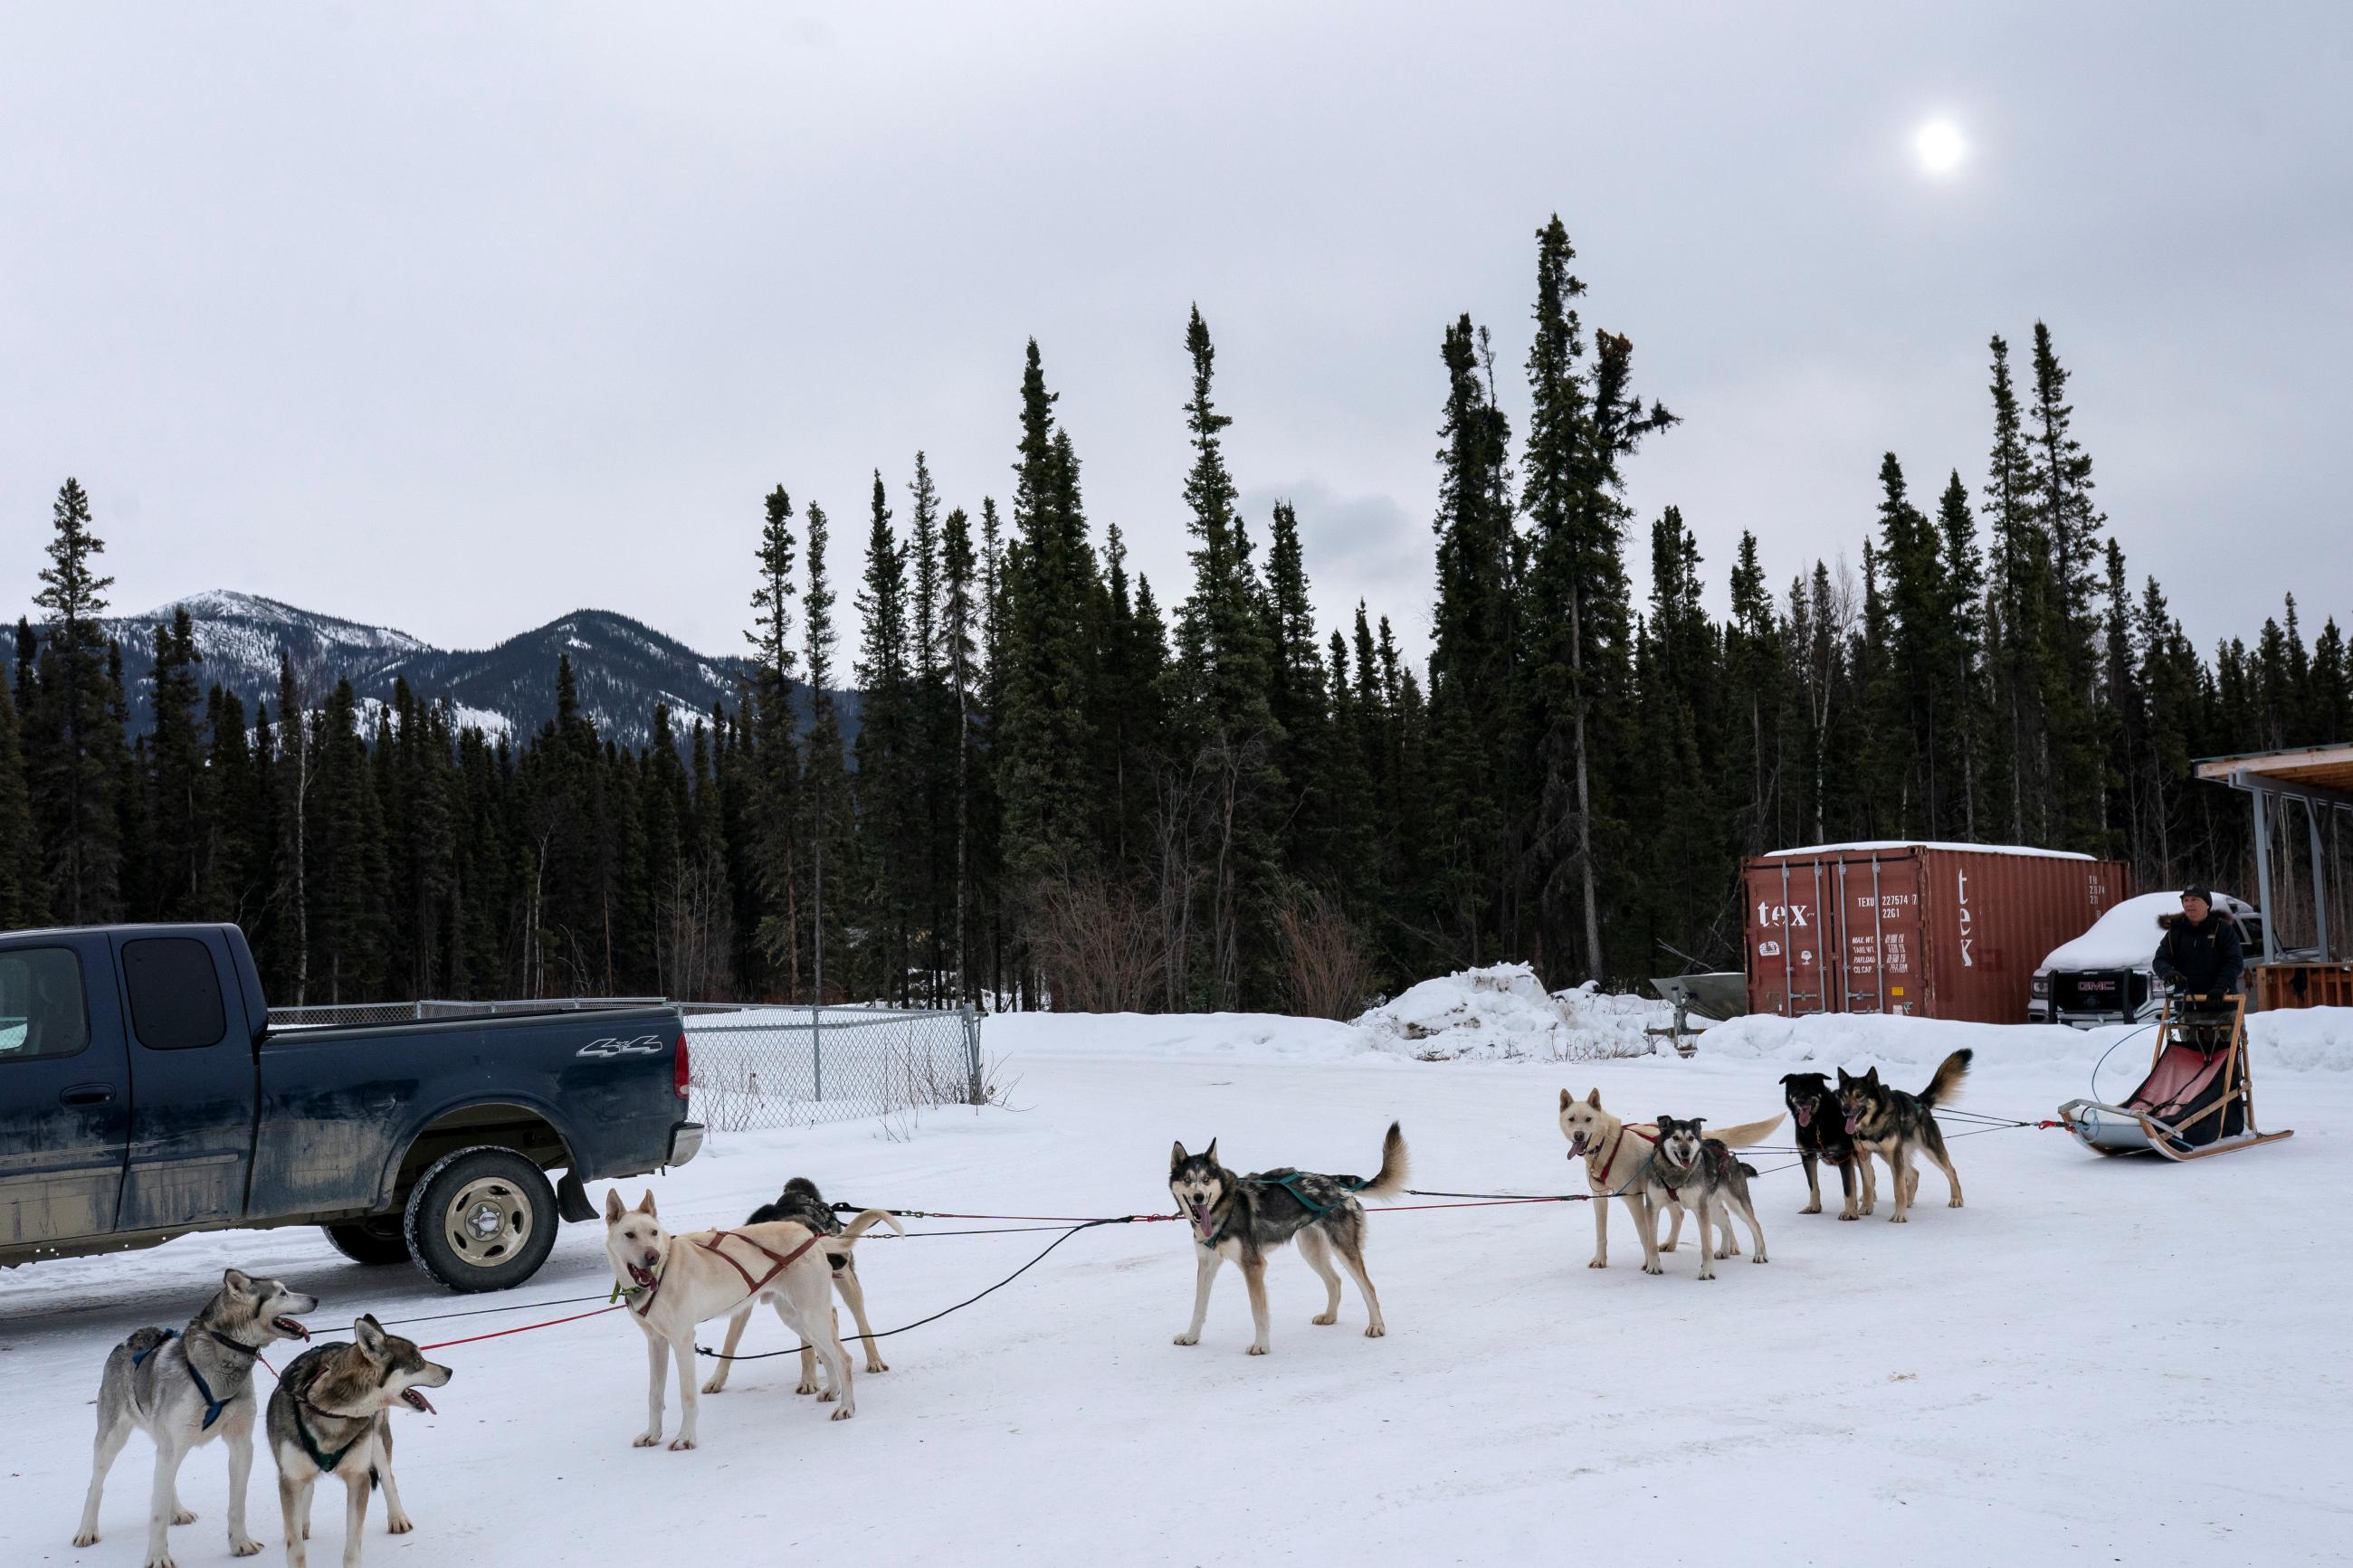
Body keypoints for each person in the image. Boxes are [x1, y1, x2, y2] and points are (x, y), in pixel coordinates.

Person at [2152, 886, 2245, 1047]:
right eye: (2185, 900)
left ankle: (2231, 1072)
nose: (2189, 904)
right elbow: (2160, 960)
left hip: (2222, 1006)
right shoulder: (2176, 932)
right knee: (2191, 1060)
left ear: (2207, 904)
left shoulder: (2223, 930)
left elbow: (2234, 962)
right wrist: (2168, 973)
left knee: (2224, 1060)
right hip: (2188, 1008)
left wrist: (2221, 987)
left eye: (2194, 900)